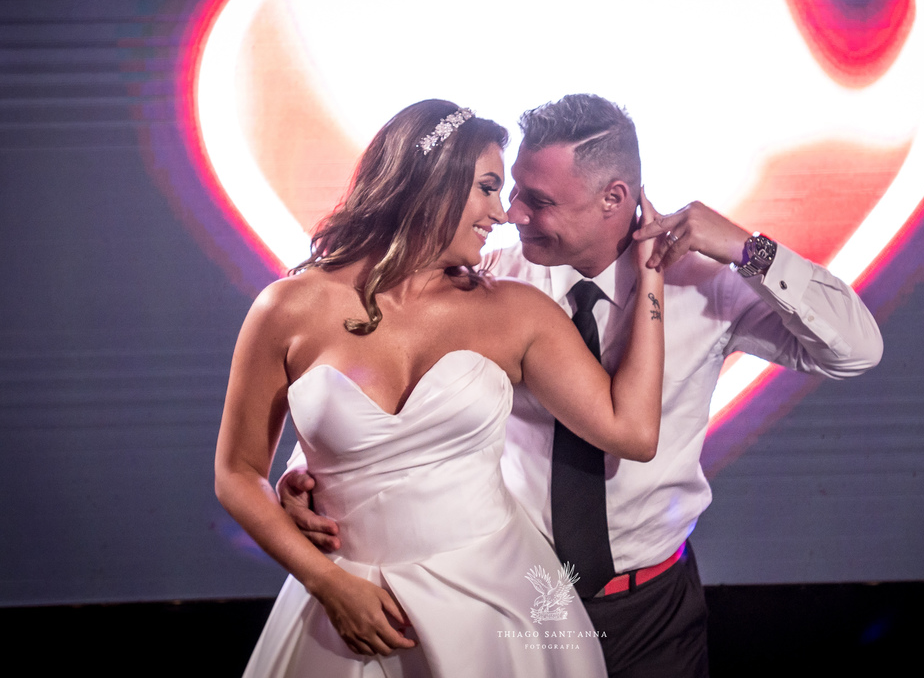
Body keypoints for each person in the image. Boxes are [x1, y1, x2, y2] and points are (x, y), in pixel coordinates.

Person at [281, 94, 884, 677]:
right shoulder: (488, 281)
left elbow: (856, 351)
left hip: (651, 610)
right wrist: (311, 469)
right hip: (506, 594)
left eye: (538, 200)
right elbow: (383, 375)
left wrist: (749, 250)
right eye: (513, 191)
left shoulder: (711, 286)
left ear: (612, 198)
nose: (513, 213)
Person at [215, 98, 668, 678]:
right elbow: (236, 473)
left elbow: (632, 433)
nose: (503, 213)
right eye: (488, 188)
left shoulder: (515, 311)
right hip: (346, 607)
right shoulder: (285, 309)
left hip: (499, 607)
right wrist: (325, 581)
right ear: (429, 181)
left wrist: (651, 274)